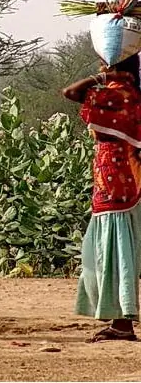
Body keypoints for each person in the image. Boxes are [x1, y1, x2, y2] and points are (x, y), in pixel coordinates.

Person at [63, 53, 141, 342]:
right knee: (119, 252)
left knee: (115, 252)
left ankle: (122, 323)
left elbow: (70, 92)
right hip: (123, 181)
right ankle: (120, 319)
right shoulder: (131, 93)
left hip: (115, 185)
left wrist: (103, 78)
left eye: (103, 62)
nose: (99, 65)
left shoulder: (117, 94)